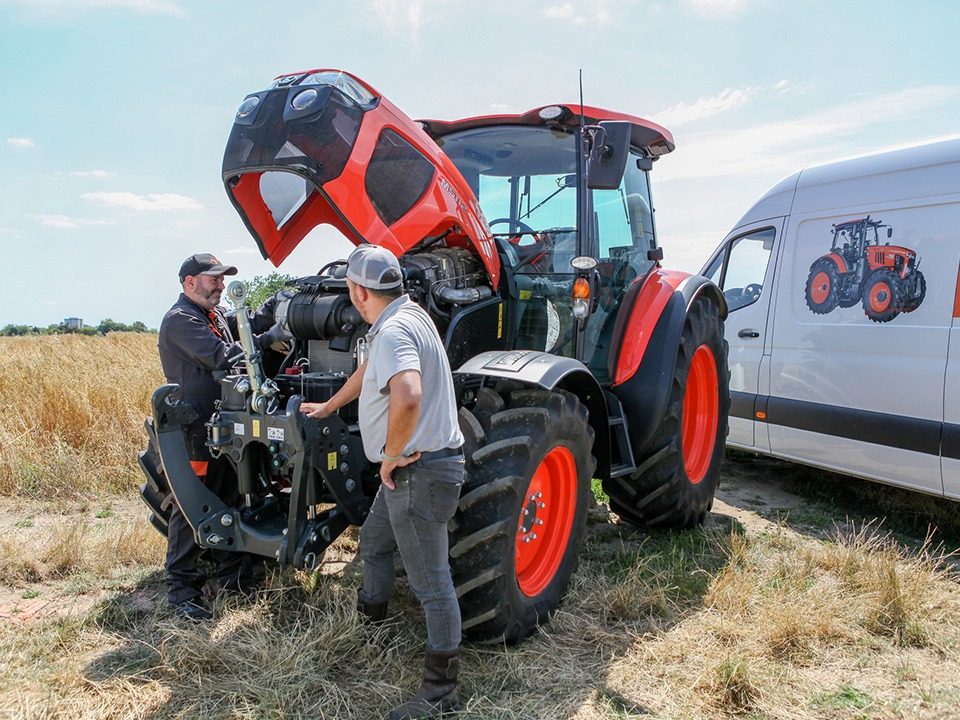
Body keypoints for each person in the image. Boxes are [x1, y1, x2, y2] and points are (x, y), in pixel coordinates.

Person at [300, 244, 465, 720]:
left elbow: (408, 395)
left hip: (418, 472)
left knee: (432, 584)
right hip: (416, 471)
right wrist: (329, 407)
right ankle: (369, 631)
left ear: (356, 291)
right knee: (372, 543)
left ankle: (439, 695)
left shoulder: (392, 330)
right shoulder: (406, 316)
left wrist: (391, 455)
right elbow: (368, 372)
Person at [158, 252, 290, 621]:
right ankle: (182, 591)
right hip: (196, 430)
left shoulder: (213, 315)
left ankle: (235, 581)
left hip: (228, 427)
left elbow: (243, 323)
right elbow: (221, 355)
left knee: (231, 500)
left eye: (221, 278)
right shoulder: (180, 321)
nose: (220, 285)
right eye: (213, 278)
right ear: (190, 283)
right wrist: (267, 341)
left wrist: (278, 303)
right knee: (194, 507)